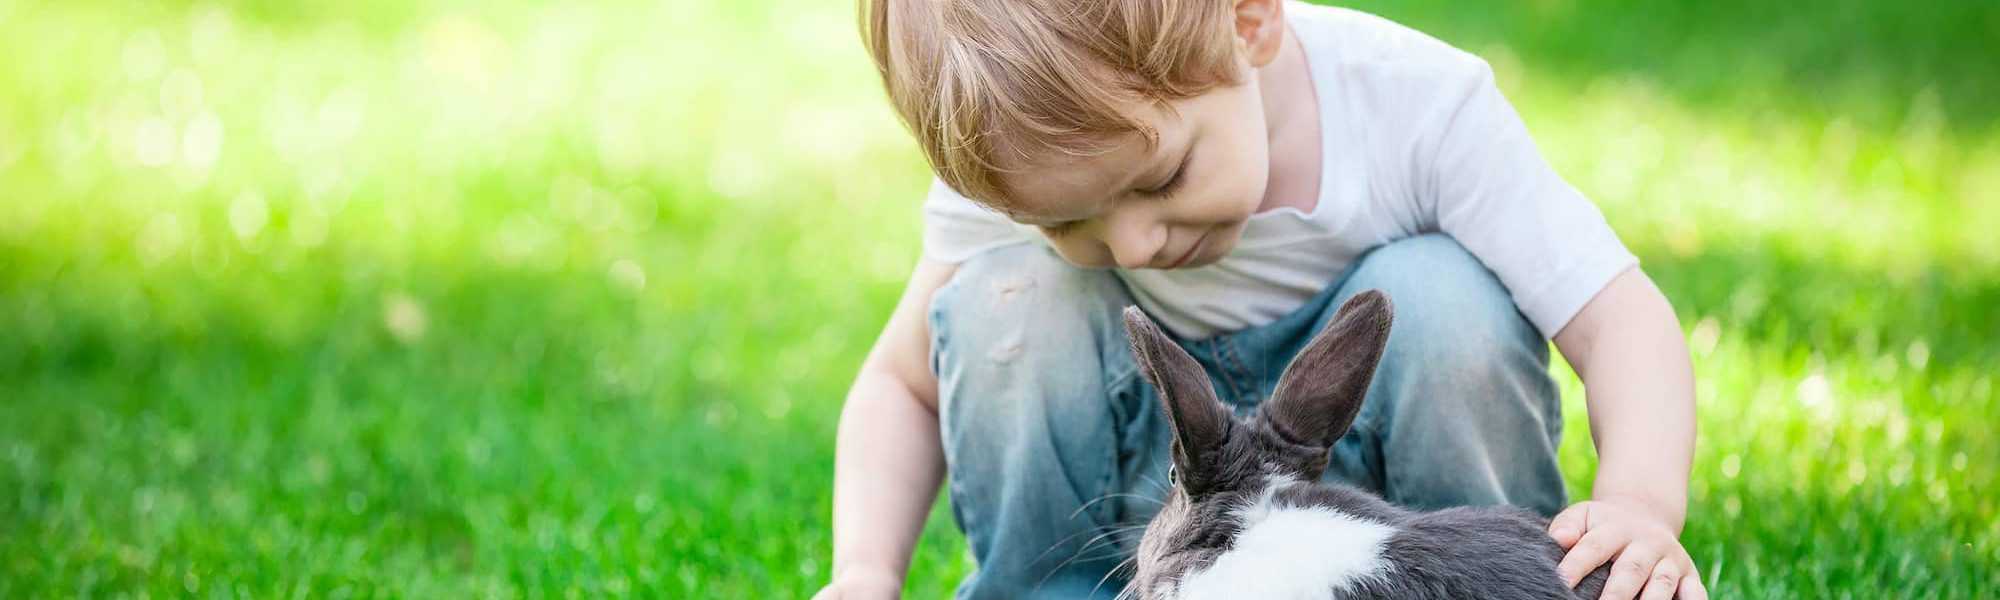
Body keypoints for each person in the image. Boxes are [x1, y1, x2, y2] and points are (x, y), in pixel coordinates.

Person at [820, 1, 1705, 598]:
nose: (1132, 246)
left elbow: (1618, 315)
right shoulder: (1025, 155)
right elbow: (903, 382)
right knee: (1005, 301)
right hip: (1154, 526)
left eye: (1163, 177)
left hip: (1393, 532)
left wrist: (1638, 506)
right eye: (1069, 222)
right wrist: (863, 570)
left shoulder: (1415, 108)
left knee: (1443, 300)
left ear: (1251, 21)